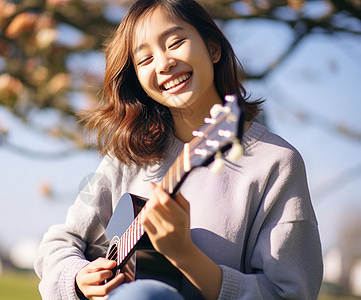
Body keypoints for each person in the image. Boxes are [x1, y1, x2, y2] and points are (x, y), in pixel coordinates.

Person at [34, 0, 323, 299]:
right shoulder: (129, 155)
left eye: (176, 42)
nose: (163, 64)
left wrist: (185, 255)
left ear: (213, 49)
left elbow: (289, 293)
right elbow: (60, 241)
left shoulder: (275, 163)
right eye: (145, 60)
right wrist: (77, 277)